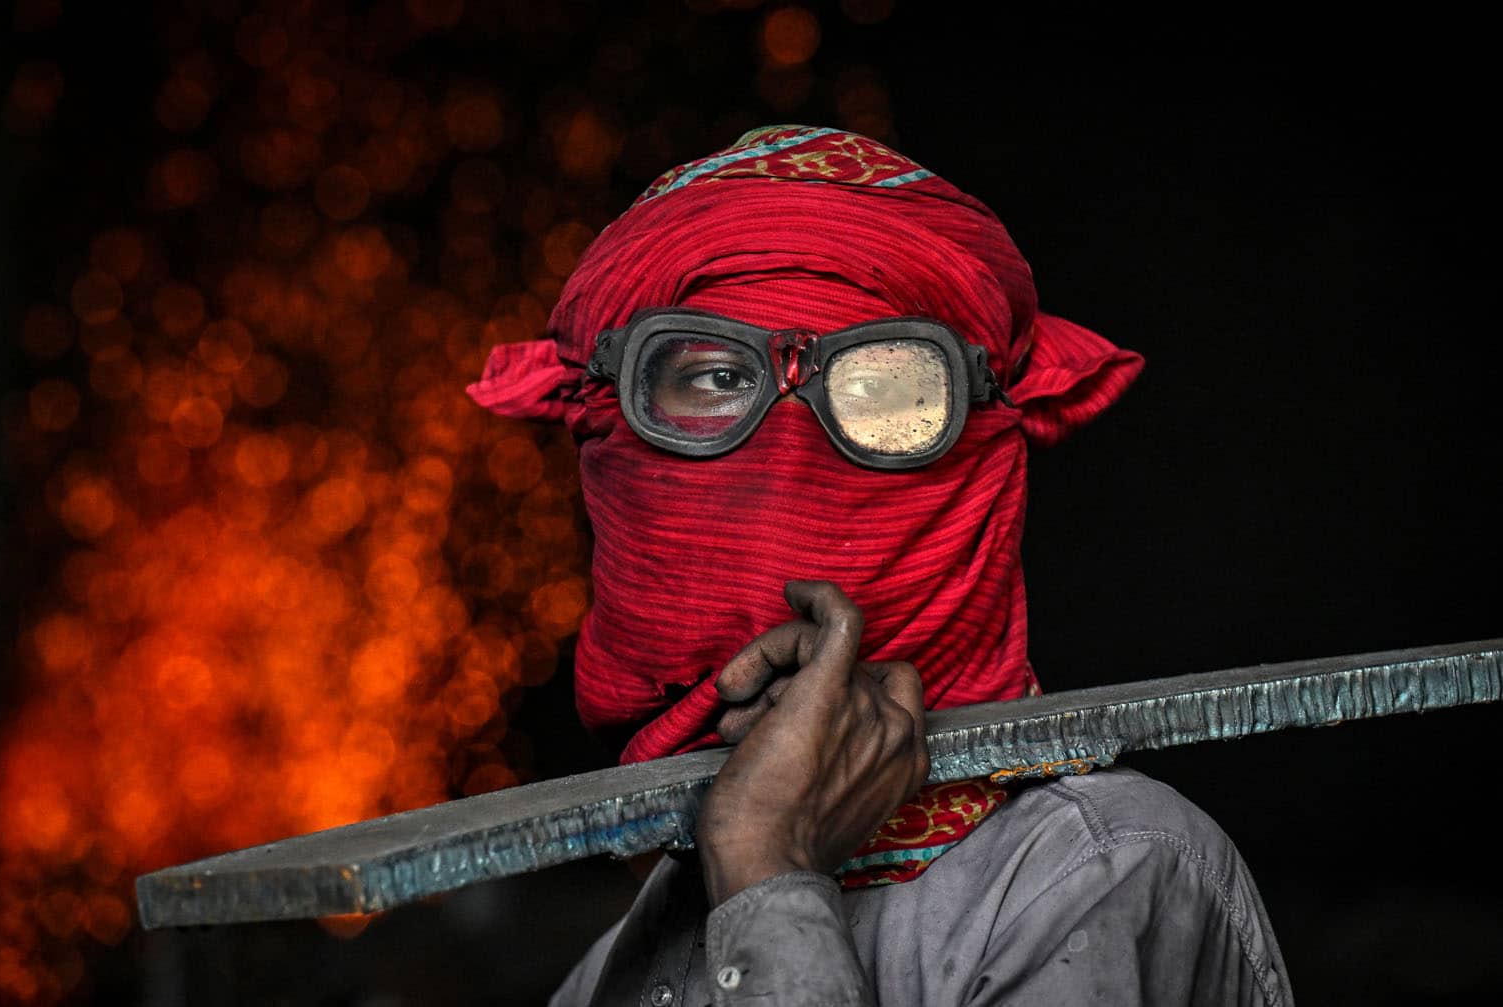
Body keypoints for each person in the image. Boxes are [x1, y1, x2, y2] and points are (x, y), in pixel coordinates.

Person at [469, 126, 1294, 1006]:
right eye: (712, 379)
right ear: (610, 423)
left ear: (982, 436)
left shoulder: (1114, 870)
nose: (789, 460)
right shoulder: (613, 971)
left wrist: (763, 872)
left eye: (887, 389)